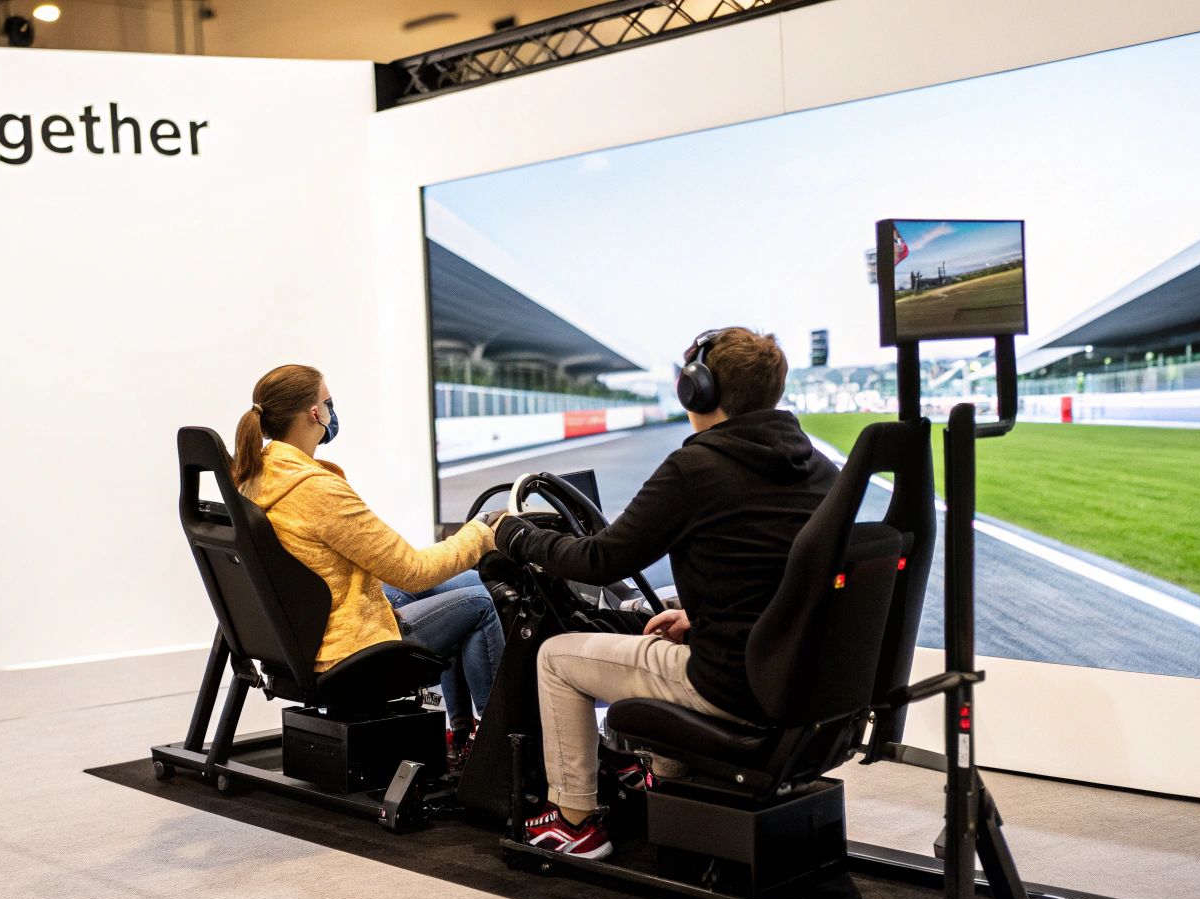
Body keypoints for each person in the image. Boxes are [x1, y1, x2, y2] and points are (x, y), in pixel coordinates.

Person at [491, 328, 838, 858]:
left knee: (555, 657)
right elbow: (781, 584)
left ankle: (575, 820)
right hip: (797, 680)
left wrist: (518, 537)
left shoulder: (696, 468)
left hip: (729, 685)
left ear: (697, 391)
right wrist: (701, 623)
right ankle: (667, 790)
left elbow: (600, 558)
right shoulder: (822, 471)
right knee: (658, 632)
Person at [232, 364, 503, 739]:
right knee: (480, 603)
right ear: (316, 413)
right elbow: (413, 570)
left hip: (312, 628)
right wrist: (480, 533)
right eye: (329, 401)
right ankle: (498, 745)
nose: (331, 410)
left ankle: (460, 730)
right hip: (348, 645)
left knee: (464, 579)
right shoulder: (316, 490)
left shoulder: (258, 476)